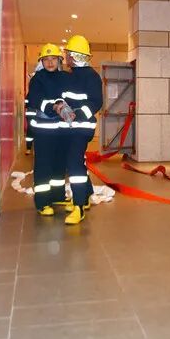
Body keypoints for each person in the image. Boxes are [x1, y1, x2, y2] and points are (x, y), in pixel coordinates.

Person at [58, 35, 103, 225]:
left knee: (74, 164)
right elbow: (62, 98)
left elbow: (96, 102)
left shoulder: (92, 77)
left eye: (68, 54)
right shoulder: (69, 76)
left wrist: (77, 113)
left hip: (82, 128)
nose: (66, 57)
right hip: (69, 128)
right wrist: (60, 106)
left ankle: (79, 206)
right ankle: (86, 194)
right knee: (76, 162)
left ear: (75, 56)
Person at [25, 43, 70, 216]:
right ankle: (42, 202)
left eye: (53, 59)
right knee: (43, 165)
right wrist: (53, 106)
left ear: (59, 60)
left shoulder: (65, 77)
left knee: (59, 164)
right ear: (41, 61)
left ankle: (58, 196)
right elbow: (36, 100)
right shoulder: (38, 79)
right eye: (46, 59)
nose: (50, 62)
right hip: (44, 130)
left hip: (62, 129)